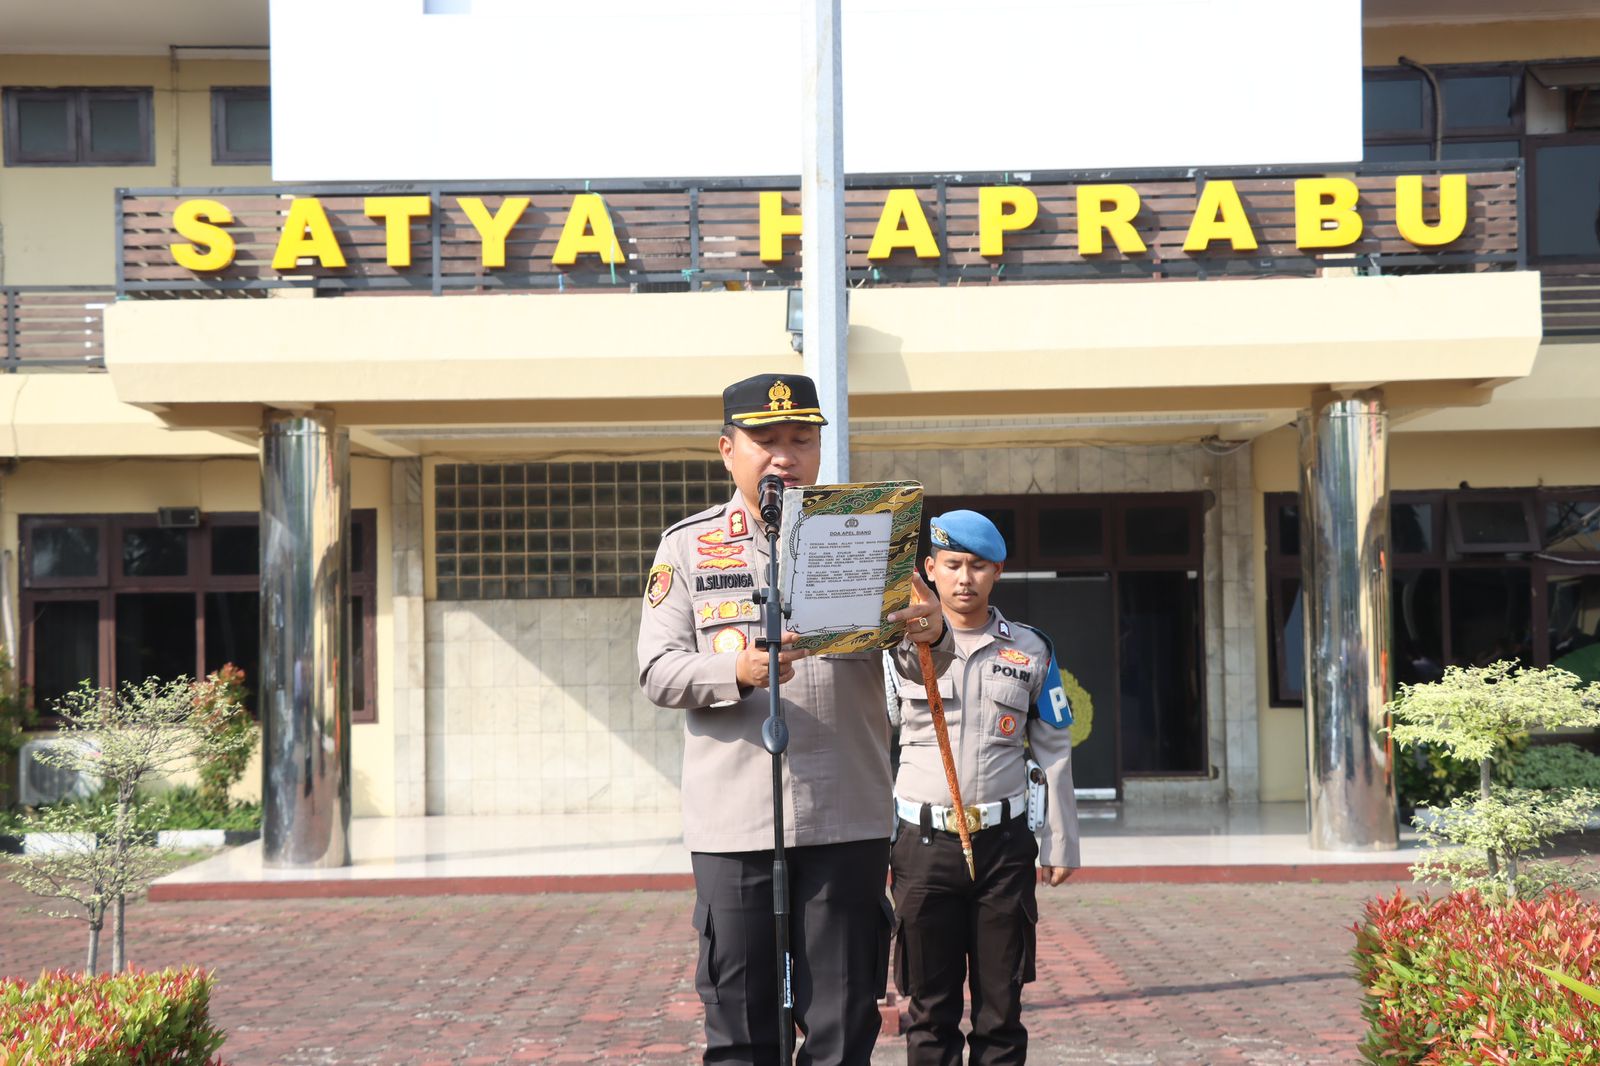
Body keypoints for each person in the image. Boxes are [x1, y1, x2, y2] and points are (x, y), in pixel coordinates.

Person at [637, 372, 952, 1066]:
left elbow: (915, 661)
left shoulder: (864, 532)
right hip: (737, 824)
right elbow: (657, 671)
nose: (785, 456)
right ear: (728, 450)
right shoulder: (688, 547)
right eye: (767, 441)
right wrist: (736, 671)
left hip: (845, 817)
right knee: (741, 1030)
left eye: (801, 440)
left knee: (843, 1028)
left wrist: (930, 632)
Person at [889, 510, 1081, 1066]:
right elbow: (873, 746)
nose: (964, 578)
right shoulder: (897, 650)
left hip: (1003, 848)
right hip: (922, 846)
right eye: (952, 565)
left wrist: (1061, 842)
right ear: (930, 569)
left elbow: (1054, 749)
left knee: (1001, 1010)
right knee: (929, 1011)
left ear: (998, 571)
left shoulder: (1031, 649)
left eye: (978, 565)